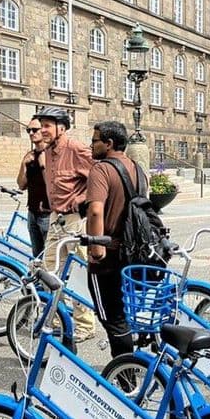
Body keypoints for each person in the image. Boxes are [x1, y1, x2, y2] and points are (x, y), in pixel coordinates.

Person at [37, 106, 95, 344]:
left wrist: (80, 200)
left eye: (47, 125)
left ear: (61, 127)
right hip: (55, 218)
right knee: (49, 271)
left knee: (80, 273)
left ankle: (85, 325)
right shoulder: (47, 152)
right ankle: (58, 318)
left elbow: (100, 177)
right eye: (41, 125)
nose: (43, 130)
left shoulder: (76, 149)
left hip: (74, 220)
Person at [85, 121, 136, 358]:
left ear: (109, 143)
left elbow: (96, 210)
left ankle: (126, 378)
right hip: (131, 251)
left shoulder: (101, 169)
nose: (91, 145)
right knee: (122, 314)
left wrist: (96, 248)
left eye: (95, 140)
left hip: (108, 253)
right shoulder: (136, 167)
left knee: (112, 318)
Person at [15, 118, 48, 257]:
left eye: (35, 130)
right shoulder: (30, 156)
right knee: (37, 255)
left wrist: (43, 166)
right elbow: (21, 185)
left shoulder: (52, 155)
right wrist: (24, 164)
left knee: (49, 257)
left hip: (47, 213)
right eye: (29, 130)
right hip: (32, 212)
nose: (31, 133)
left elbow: (54, 185)